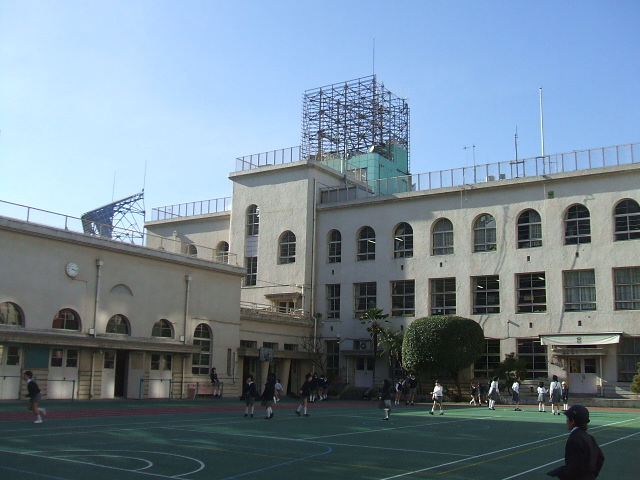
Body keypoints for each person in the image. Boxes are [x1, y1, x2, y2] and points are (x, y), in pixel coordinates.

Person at [547, 405, 605, 479]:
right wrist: (591, 475)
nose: (566, 420)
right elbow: (600, 458)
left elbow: (573, 467)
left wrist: (561, 473)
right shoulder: (589, 437)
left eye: (567, 418)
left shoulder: (574, 438)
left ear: (573, 421)